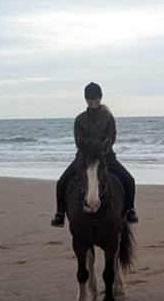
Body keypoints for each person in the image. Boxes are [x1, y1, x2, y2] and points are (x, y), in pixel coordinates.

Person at [51, 82, 139, 227]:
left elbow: (111, 137)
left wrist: (102, 150)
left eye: (96, 98)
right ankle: (60, 213)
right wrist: (89, 152)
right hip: (84, 159)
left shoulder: (108, 118)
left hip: (106, 157)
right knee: (61, 182)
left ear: (100, 98)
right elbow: (78, 140)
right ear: (86, 99)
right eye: (91, 99)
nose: (93, 101)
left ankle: (130, 209)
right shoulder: (80, 119)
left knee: (129, 179)